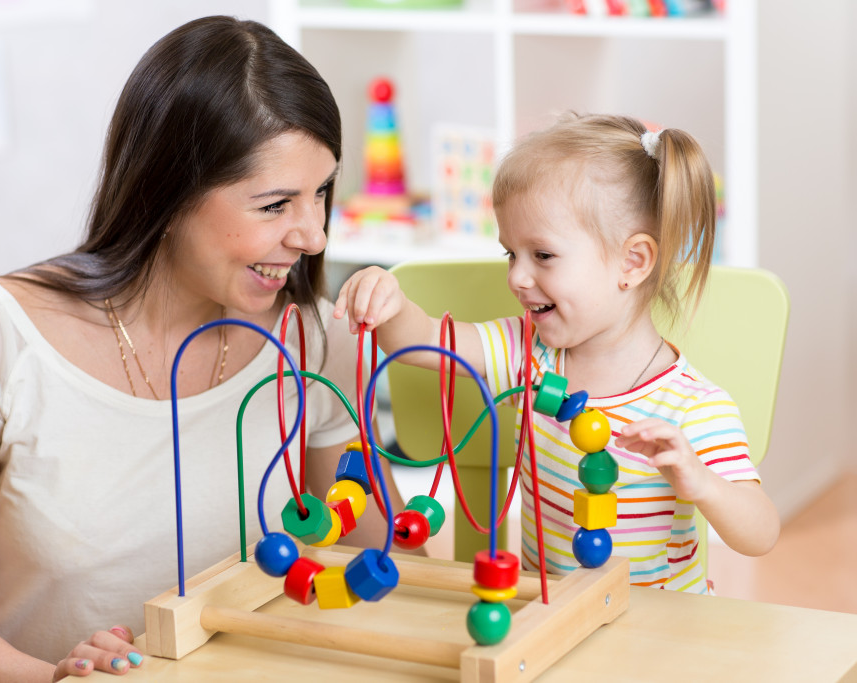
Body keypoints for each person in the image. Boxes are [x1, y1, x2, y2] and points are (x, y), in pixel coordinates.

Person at [0, 15, 404, 682]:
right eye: (275, 204)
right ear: (169, 193)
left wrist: (389, 345)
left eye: (322, 193)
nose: (312, 234)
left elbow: (386, 556)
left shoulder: (311, 335)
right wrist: (54, 678)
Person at [334, 112, 779, 593]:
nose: (518, 278)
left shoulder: (692, 405)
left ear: (633, 262)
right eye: (511, 253)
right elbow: (422, 344)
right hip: (548, 618)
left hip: (656, 638)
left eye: (542, 255)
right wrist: (389, 300)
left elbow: (761, 533)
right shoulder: (529, 353)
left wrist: (702, 483)